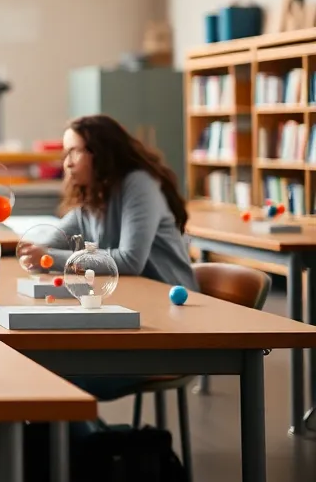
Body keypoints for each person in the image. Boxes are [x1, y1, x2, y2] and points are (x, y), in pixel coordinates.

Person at [19, 114, 198, 403]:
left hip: (167, 325)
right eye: (65, 154)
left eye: (74, 151)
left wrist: (49, 257)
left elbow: (129, 260)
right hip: (129, 318)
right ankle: (88, 442)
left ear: (101, 151)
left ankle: (90, 444)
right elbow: (52, 241)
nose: (67, 163)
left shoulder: (138, 184)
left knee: (49, 378)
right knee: (39, 369)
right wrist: (35, 252)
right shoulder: (94, 196)